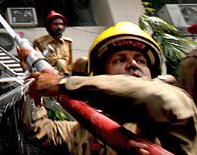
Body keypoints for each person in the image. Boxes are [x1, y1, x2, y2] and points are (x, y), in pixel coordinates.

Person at [17, 21, 197, 155]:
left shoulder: (177, 105)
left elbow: (154, 97)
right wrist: (33, 85)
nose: (133, 64)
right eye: (120, 59)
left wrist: (63, 84)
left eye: (140, 60)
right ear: (101, 75)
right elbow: (36, 130)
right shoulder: (83, 132)